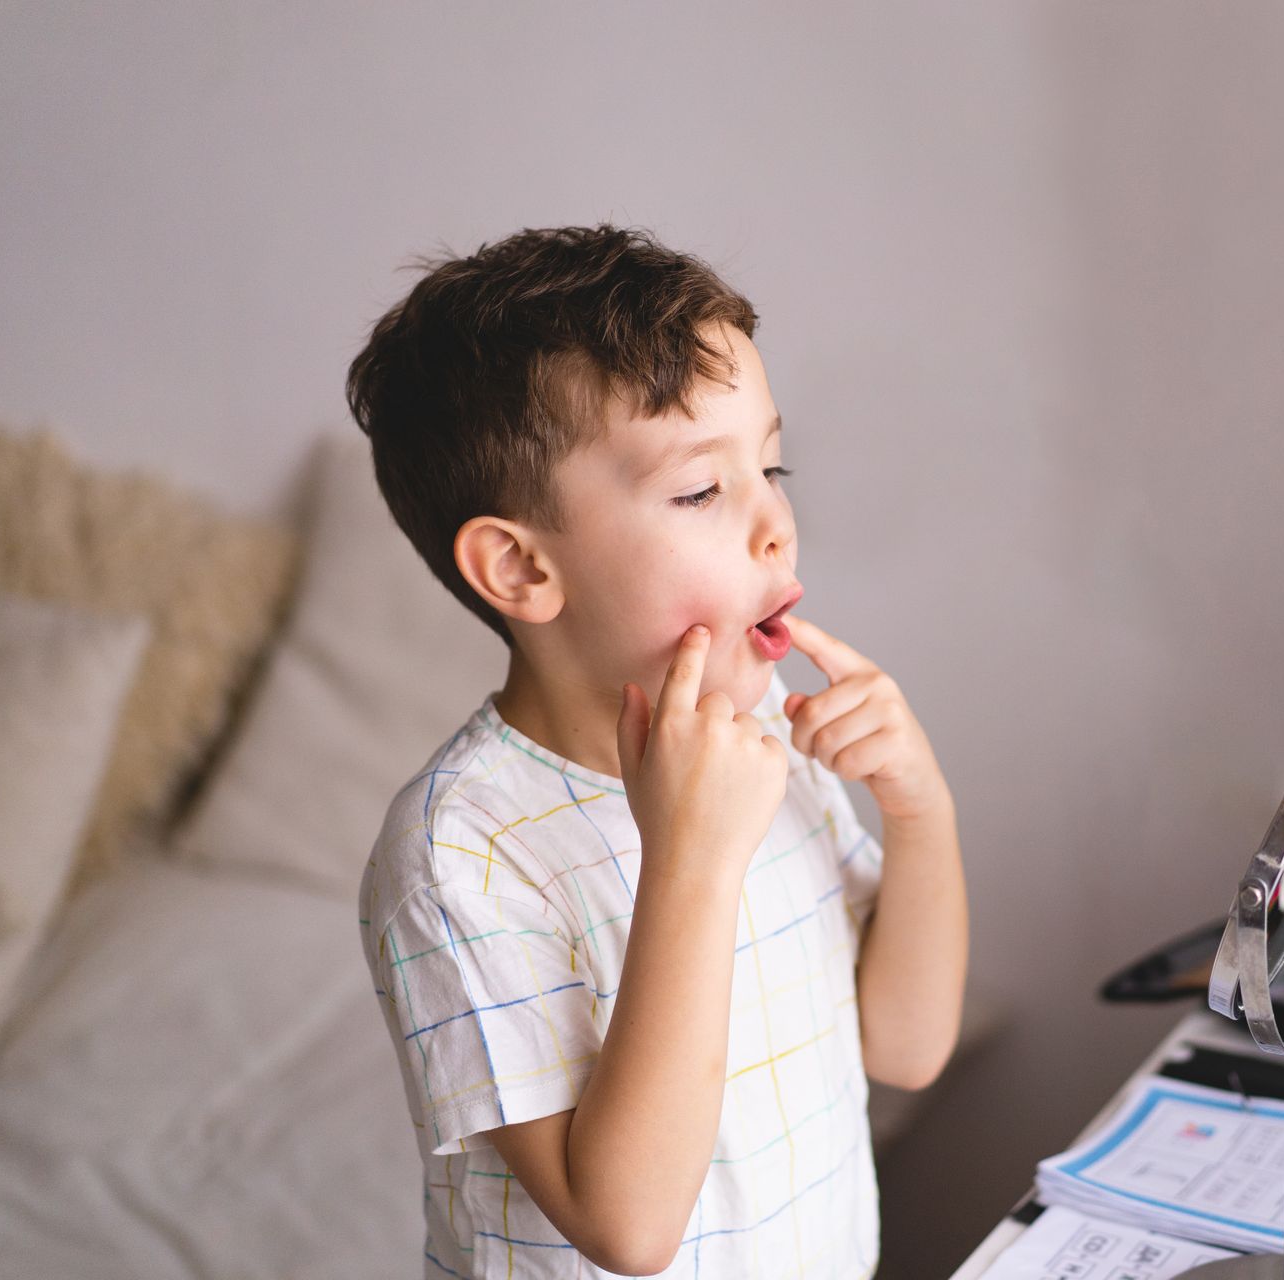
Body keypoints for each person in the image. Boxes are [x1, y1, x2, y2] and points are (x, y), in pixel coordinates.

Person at [347, 224, 968, 1278]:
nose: (777, 522)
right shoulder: (459, 852)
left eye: (770, 462)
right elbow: (627, 1226)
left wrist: (920, 812)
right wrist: (689, 856)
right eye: (700, 490)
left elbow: (905, 1048)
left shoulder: (761, 731)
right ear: (519, 567)